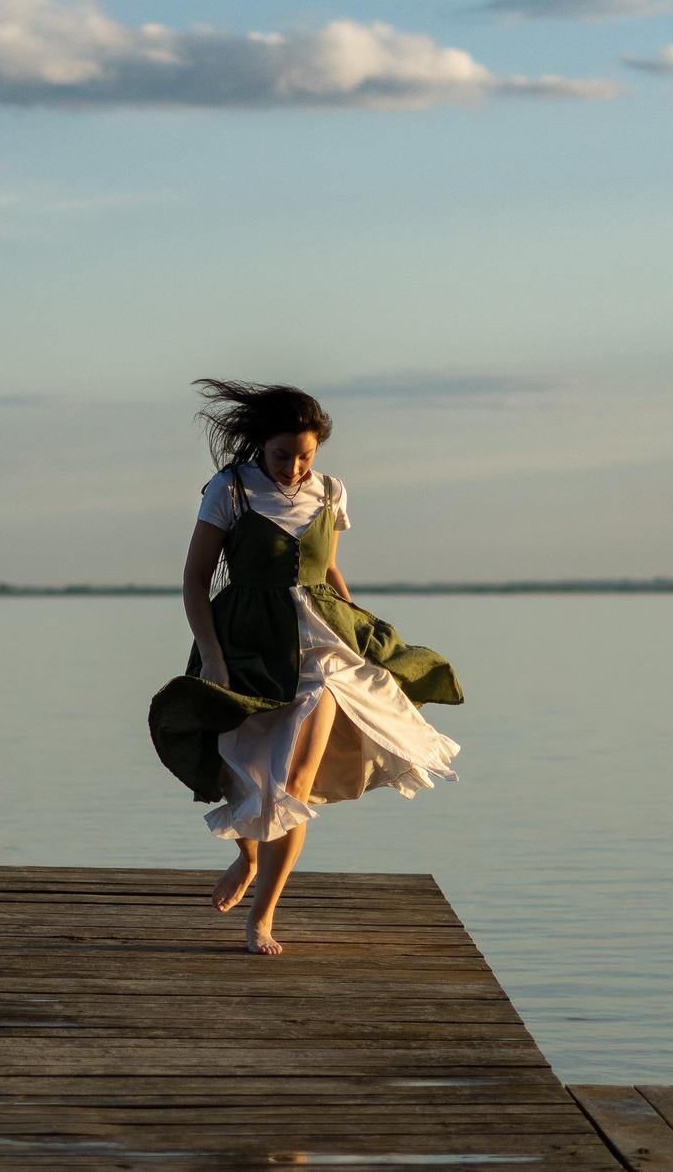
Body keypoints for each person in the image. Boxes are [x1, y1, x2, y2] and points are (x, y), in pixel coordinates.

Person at [147, 378, 465, 954]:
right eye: (282, 455)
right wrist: (213, 657)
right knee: (241, 773)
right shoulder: (229, 490)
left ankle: (262, 917)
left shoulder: (331, 491)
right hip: (244, 644)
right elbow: (195, 580)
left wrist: (360, 629)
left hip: (321, 652)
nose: (294, 467)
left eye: (305, 456)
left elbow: (328, 570)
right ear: (260, 444)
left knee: (292, 783)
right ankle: (247, 858)